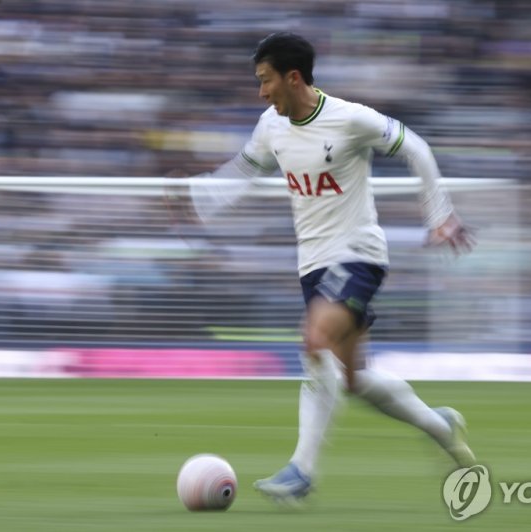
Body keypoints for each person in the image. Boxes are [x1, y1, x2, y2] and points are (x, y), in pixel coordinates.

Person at [166, 32, 477, 504]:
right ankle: (441, 424)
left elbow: (416, 146)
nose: (261, 92)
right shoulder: (271, 125)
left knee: (313, 341)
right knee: (352, 380)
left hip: (358, 255)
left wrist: (440, 216)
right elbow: (244, 171)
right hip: (312, 266)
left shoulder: (350, 119)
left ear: (293, 78)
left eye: (265, 80)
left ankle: (301, 471)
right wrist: (198, 199)